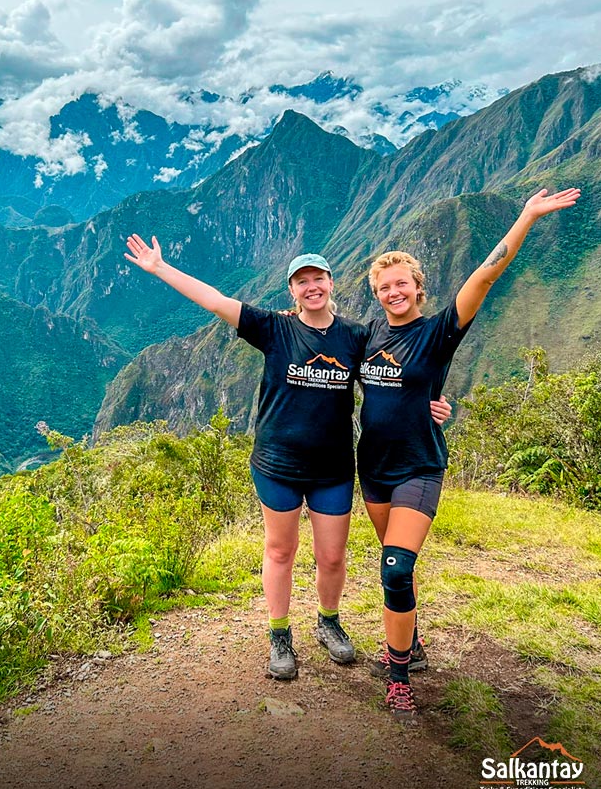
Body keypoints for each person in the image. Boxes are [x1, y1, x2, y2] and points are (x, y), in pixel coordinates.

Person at [124, 234, 450, 680]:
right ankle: (280, 635)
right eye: (301, 281)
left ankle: (328, 622)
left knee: (332, 557)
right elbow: (217, 302)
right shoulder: (274, 329)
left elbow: (394, 374)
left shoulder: (357, 336)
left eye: (318, 278)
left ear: (331, 282)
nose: (311, 286)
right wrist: (161, 269)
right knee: (280, 549)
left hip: (333, 467)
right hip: (276, 463)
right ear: (291, 290)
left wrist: (434, 403)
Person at [355, 187, 581, 722]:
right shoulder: (362, 338)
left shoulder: (437, 334)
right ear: (376, 293)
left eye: (402, 284)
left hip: (419, 466)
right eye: (384, 287)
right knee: (398, 572)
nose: (394, 292)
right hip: (374, 470)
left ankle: (398, 678)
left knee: (393, 567)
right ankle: (412, 641)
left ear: (418, 288)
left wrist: (526, 216)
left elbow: (484, 275)